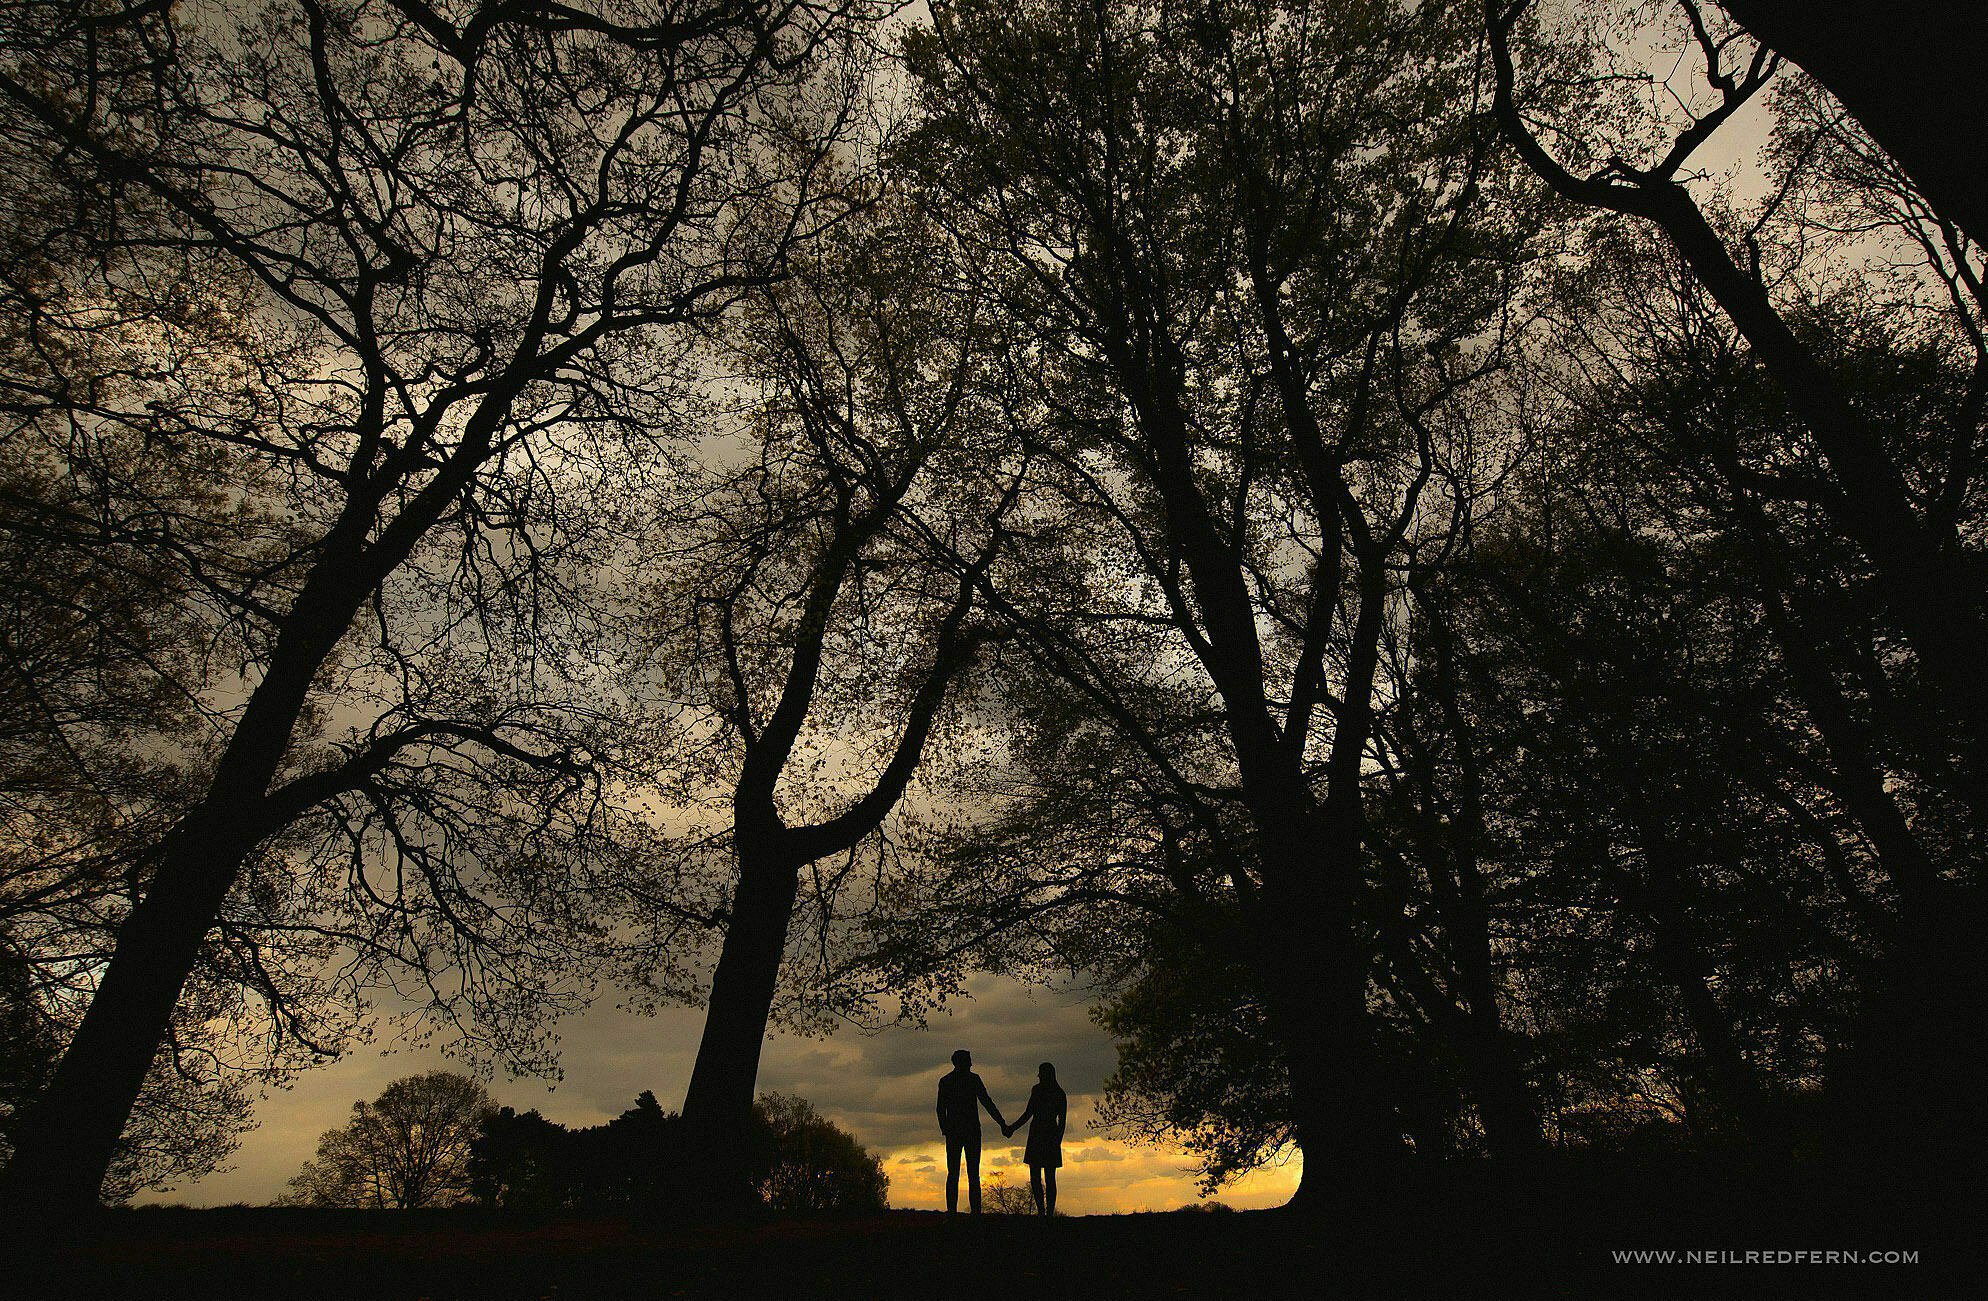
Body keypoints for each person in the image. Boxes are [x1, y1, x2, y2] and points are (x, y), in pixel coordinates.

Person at [936, 1049, 1007, 1214]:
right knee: (972, 1174)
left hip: (955, 1131)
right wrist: (1002, 1123)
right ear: (962, 1062)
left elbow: (940, 1108)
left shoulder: (946, 1081)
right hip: (971, 1130)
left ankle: (953, 1211)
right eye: (968, 1060)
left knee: (954, 1173)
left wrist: (945, 1128)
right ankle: (974, 1212)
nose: (971, 1063)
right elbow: (987, 1102)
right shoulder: (973, 1080)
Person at [1002, 1062, 1067, 1216]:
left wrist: (1012, 1128)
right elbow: (1061, 1122)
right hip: (1048, 1135)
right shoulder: (1058, 1093)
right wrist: (1057, 1140)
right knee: (1047, 1177)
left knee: (1039, 1177)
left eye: (1040, 1073)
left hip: (1039, 1135)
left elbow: (1028, 1114)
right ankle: (1046, 1213)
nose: (1038, 1076)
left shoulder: (1040, 1091)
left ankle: (1044, 1212)